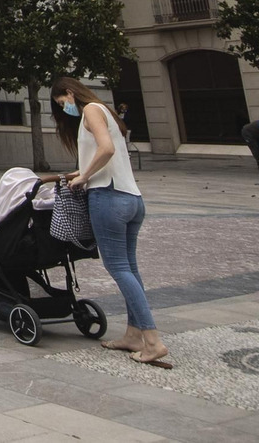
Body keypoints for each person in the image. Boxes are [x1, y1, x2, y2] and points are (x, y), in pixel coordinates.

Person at [52, 76, 169, 367]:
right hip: (132, 198)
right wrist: (78, 172)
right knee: (129, 267)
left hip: (108, 197)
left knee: (118, 267)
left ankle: (152, 341)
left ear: (69, 93)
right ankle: (133, 334)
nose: (64, 108)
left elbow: (106, 149)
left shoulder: (90, 108)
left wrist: (83, 176)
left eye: (62, 103)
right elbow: (105, 152)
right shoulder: (106, 112)